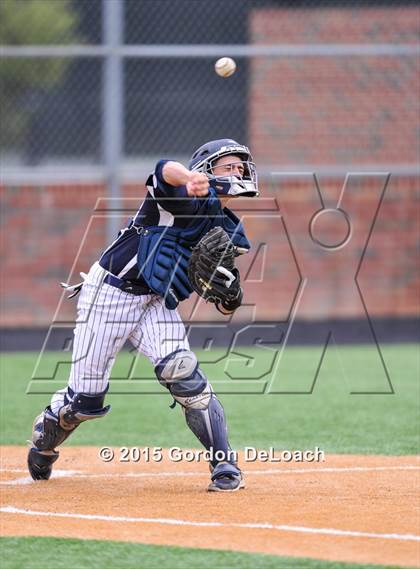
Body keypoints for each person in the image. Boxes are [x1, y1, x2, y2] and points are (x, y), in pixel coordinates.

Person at [27, 139, 259, 492]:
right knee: (85, 403)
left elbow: (225, 304)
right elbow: (162, 167)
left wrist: (231, 295)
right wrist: (189, 178)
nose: (238, 172)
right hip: (109, 293)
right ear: (206, 169)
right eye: (228, 166)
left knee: (185, 377)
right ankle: (46, 436)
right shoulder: (181, 194)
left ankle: (224, 465)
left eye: (240, 167)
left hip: (154, 302)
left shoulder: (229, 230)